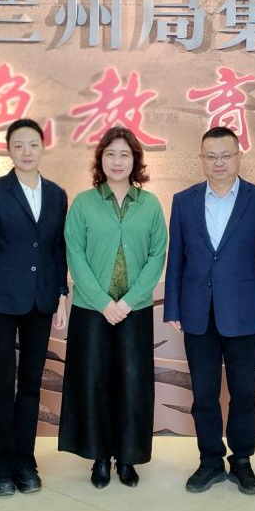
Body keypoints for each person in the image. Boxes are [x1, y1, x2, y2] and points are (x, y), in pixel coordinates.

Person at [164, 126, 255, 495]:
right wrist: (173, 307)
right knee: (204, 394)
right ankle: (210, 460)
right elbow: (176, 258)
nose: (219, 163)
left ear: (239, 157)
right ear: (201, 159)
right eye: (211, 156)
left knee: (243, 393)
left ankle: (242, 461)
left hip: (244, 312)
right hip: (197, 312)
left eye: (226, 155)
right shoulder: (184, 201)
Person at [59, 126, 168, 488]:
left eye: (124, 154)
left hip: (135, 310)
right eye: (110, 154)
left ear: (135, 160)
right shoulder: (83, 203)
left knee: (132, 383)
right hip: (92, 310)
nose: (117, 161)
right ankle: (99, 457)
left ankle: (128, 457)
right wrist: (104, 302)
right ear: (100, 160)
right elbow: (75, 255)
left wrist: (129, 301)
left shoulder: (150, 204)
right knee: (94, 382)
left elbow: (157, 256)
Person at [0, 118, 69, 497]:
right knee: (1, 383)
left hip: (41, 301)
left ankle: (25, 462)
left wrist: (61, 294)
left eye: (33, 145)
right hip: (0, 303)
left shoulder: (57, 194)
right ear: (8, 150)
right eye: (19, 146)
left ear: (43, 147)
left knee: (30, 383)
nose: (27, 152)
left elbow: (57, 249)